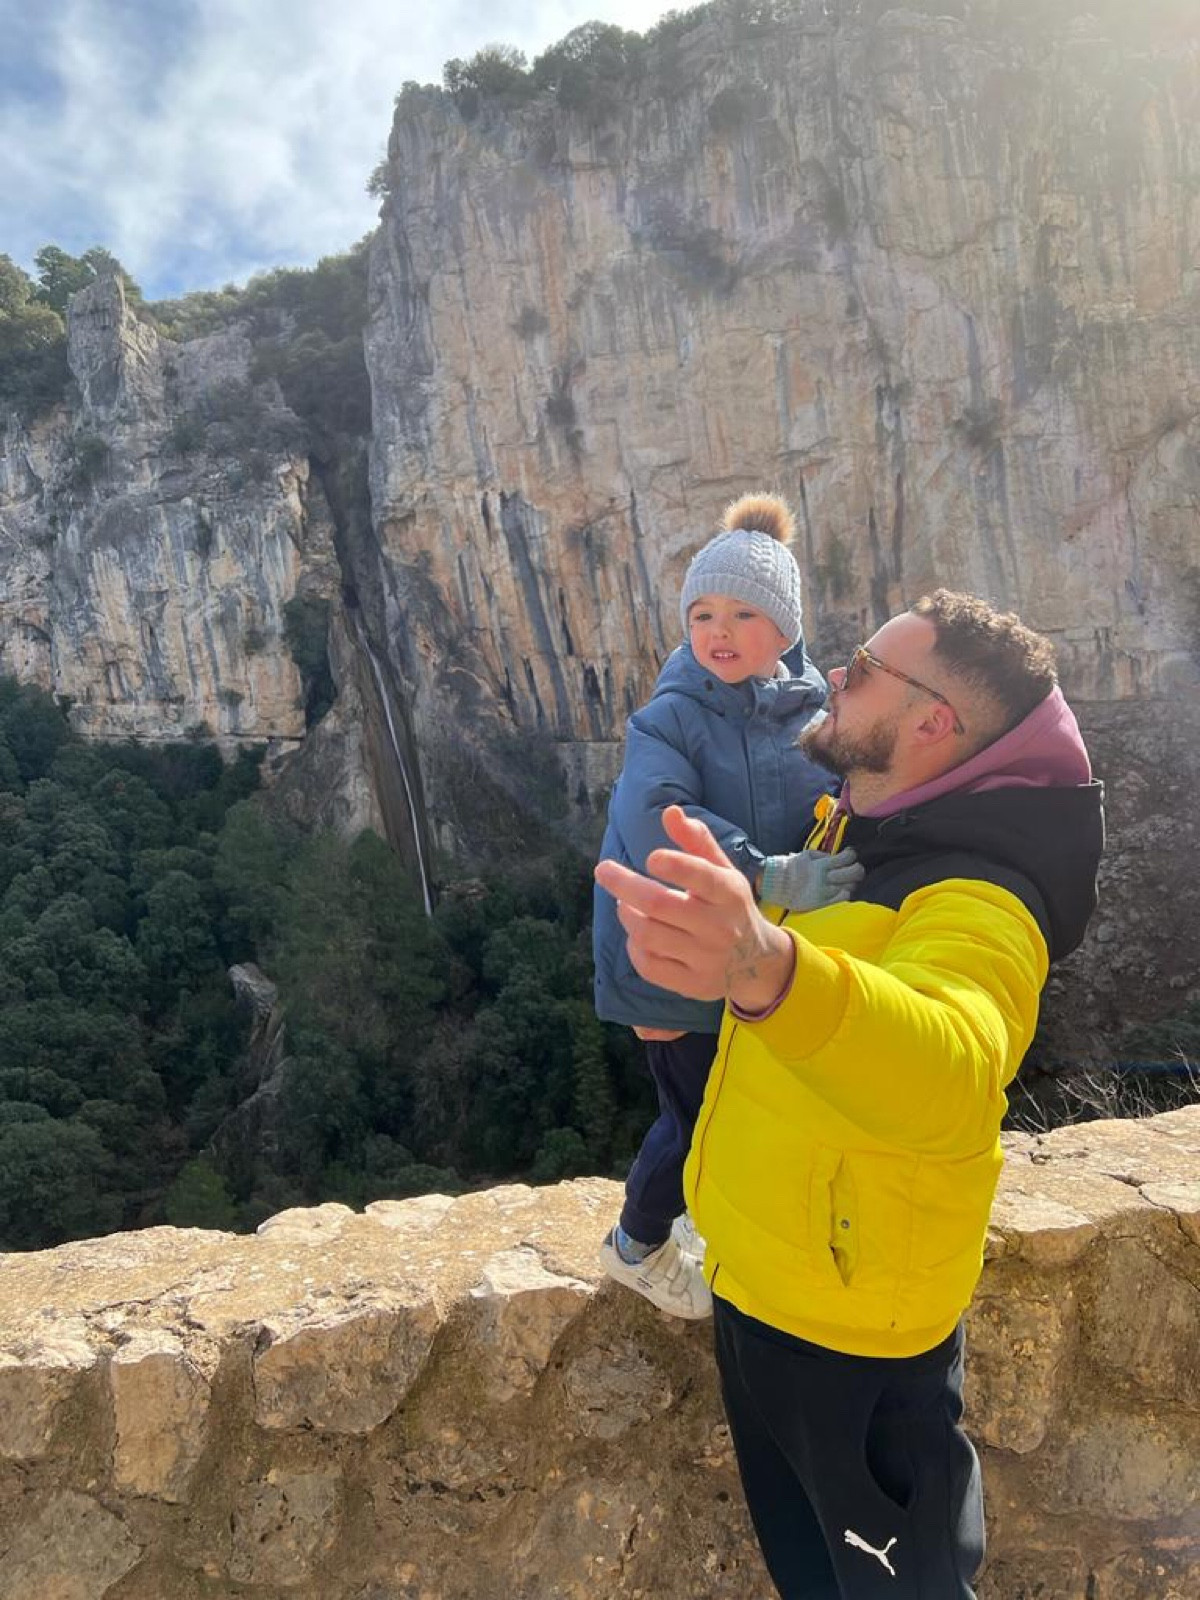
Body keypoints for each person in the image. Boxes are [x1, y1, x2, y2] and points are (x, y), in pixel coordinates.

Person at [595, 589, 1104, 1599]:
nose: (833, 672)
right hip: (763, 1290)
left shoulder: (983, 890)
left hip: (857, 1343)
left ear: (932, 723)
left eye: (864, 669)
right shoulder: (868, 817)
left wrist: (771, 972)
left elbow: (954, 1067)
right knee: (810, 1576)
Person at [593, 493, 862, 1320]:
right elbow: (657, 819)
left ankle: (705, 1217)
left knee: (748, 1102)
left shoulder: (816, 715)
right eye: (703, 613)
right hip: (670, 956)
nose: (719, 630)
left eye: (744, 613)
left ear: (785, 630)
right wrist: (767, 874)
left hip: (759, 959)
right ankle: (636, 1245)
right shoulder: (669, 718)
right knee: (698, 1114)